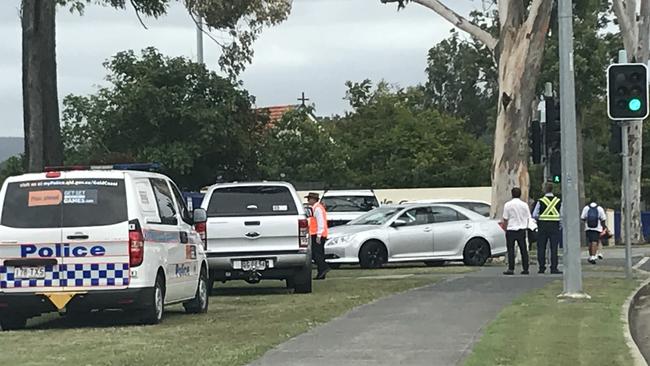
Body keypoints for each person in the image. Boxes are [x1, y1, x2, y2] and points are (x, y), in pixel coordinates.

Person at [532, 182, 562, 274]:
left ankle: (542, 267)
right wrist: (560, 224)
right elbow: (562, 215)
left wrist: (541, 218)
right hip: (554, 226)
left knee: (541, 247)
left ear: (544, 189)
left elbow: (534, 215)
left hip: (543, 226)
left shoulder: (540, 201)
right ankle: (554, 268)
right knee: (554, 248)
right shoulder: (558, 201)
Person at [501, 187, 531, 275]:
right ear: (520, 194)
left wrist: (505, 228)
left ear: (512, 194)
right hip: (521, 229)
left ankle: (511, 268)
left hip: (511, 229)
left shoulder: (508, 205)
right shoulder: (524, 205)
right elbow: (528, 216)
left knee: (510, 249)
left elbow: (505, 218)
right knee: (523, 249)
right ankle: (525, 268)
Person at [305, 192, 330, 280]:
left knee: (316, 254)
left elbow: (320, 223)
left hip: (317, 234)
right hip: (317, 233)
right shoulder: (316, 208)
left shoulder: (317, 208)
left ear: (314, 199)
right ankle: (321, 273)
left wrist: (319, 235)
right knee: (319, 254)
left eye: (309, 199)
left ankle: (324, 267)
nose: (308, 200)